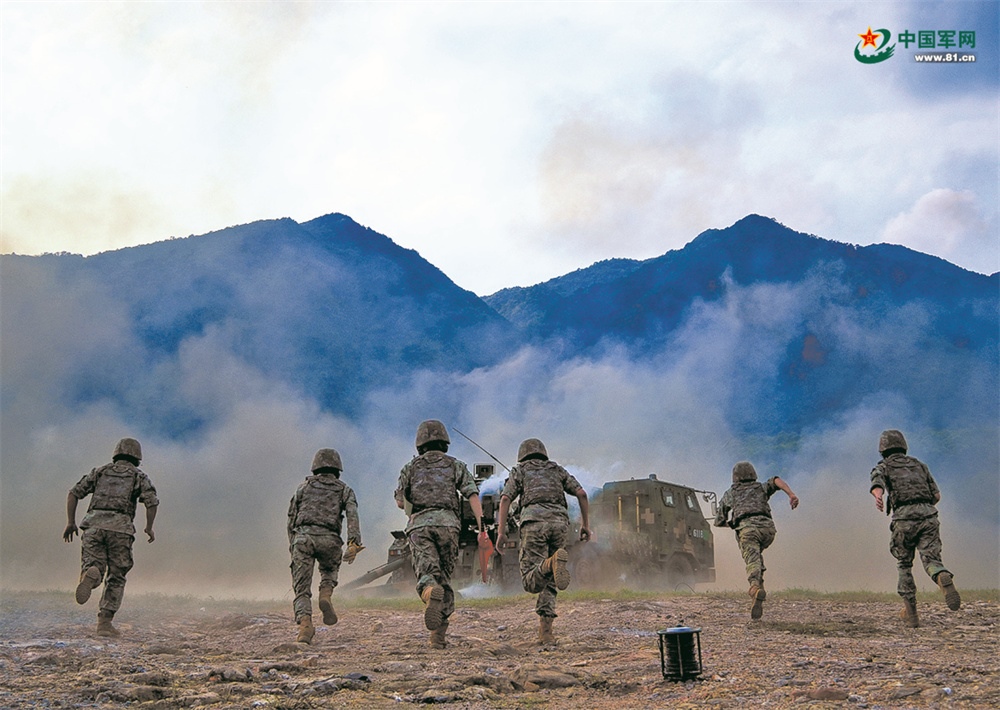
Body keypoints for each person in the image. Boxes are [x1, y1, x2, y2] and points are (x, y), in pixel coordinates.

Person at [394, 419, 483, 649]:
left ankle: (428, 592)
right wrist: (482, 526)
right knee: (444, 577)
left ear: (420, 443)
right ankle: (438, 637)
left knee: (427, 574)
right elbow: (472, 495)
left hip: (419, 526)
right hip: (448, 526)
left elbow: (400, 502)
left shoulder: (410, 468)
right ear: (445, 442)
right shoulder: (456, 465)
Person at [496, 438, 591, 644]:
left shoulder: (520, 471)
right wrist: (585, 525)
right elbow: (582, 494)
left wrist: (501, 532)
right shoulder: (556, 470)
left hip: (533, 524)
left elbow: (505, 499)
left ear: (522, 456)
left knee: (530, 581)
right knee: (551, 579)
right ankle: (546, 633)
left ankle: (550, 563)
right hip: (560, 524)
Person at [63, 437, 158, 637]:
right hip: (121, 529)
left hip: (93, 526)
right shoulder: (138, 476)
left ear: (116, 454)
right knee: (116, 576)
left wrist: (71, 522)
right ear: (138, 457)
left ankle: (92, 574)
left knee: (93, 565)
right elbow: (152, 502)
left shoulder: (99, 472)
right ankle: (104, 624)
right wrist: (149, 527)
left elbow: (73, 493)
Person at [869, 429, 960, 627]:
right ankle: (941, 575)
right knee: (932, 559)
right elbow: (936, 496)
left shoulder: (884, 466)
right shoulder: (919, 465)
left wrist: (878, 496)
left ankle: (911, 615)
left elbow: (877, 481)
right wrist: (923, 510)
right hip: (928, 516)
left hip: (904, 519)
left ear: (882, 449)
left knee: (904, 564)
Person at [287, 447, 363, 644]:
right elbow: (352, 515)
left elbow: (292, 516)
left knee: (301, 589)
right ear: (338, 469)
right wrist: (353, 543)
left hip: (303, 539)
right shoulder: (344, 489)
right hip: (330, 539)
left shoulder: (303, 488)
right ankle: (325, 594)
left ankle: (305, 626)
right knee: (329, 572)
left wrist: (293, 543)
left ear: (315, 468)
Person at [713, 461, 798, 620]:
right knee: (757, 558)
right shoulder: (761, 488)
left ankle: (754, 587)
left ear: (735, 477)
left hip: (748, 531)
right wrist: (791, 495)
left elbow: (719, 520)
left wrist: (732, 523)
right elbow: (776, 480)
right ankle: (758, 595)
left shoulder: (731, 493)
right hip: (768, 530)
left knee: (752, 560)